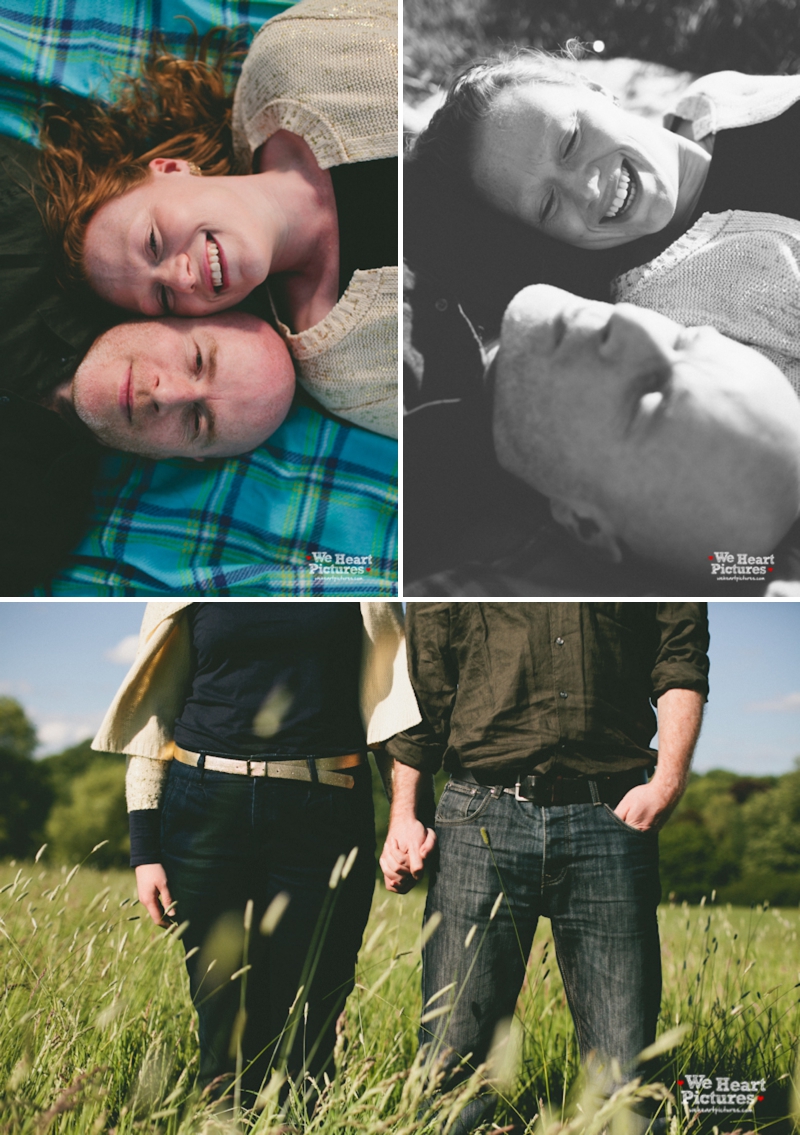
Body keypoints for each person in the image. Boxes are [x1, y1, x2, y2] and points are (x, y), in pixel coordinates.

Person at [380, 602, 710, 1134]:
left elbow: (681, 656)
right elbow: (427, 682)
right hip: (480, 812)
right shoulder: (458, 536)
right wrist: (404, 816)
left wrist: (668, 781)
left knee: (625, 1063)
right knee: (453, 1054)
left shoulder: (646, 539)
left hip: (612, 812)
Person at [92, 601, 421, 1105]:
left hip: (324, 808)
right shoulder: (196, 571)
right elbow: (156, 715)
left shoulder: (353, 569)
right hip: (204, 809)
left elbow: (393, 705)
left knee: (312, 1017)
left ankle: (297, 1118)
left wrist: (406, 817)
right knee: (222, 1019)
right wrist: (145, 847)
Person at [38, 0, 398, 438]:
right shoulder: (349, 377)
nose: (182, 277)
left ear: (170, 169)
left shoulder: (297, 53)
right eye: (165, 299)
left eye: (153, 242)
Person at [403, 266, 800, 590]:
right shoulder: (584, 240)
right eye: (684, 339)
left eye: (647, 395)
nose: (627, 320)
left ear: (585, 526)